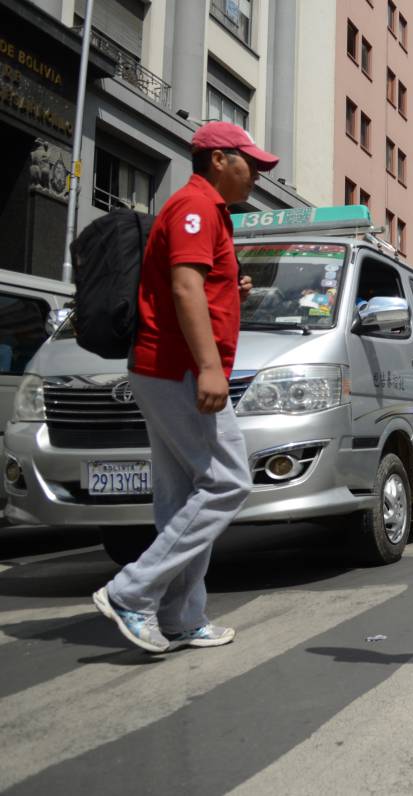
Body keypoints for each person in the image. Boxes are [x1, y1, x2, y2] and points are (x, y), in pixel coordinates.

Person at [92, 121, 280, 653]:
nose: (258, 174)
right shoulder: (195, 206)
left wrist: (230, 284)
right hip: (177, 367)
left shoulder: (206, 211)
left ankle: (180, 617)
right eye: (251, 164)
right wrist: (210, 368)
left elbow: (196, 281)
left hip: (163, 368)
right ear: (219, 159)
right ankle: (132, 592)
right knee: (228, 482)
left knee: (181, 501)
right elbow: (183, 286)